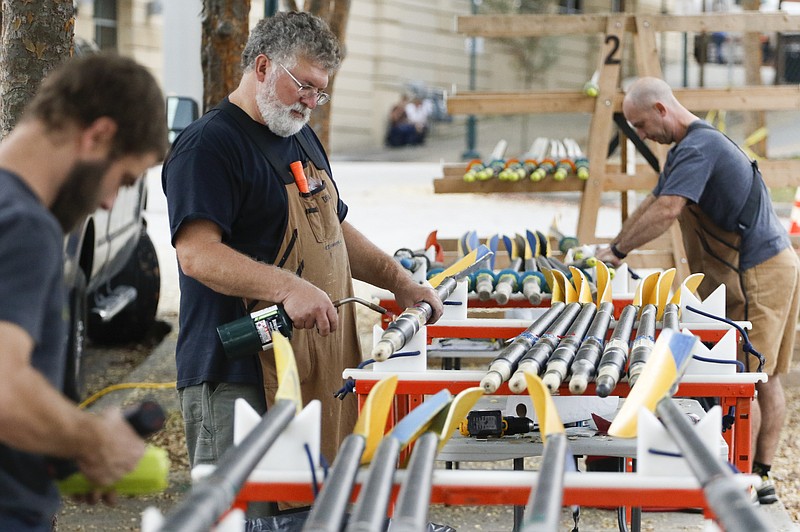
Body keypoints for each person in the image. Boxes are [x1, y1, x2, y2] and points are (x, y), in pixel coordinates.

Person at [161, 11, 443, 475]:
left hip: (315, 373)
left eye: (321, 91)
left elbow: (333, 228)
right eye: (304, 86)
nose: (312, 102)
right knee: (248, 521)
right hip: (240, 379)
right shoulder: (208, 146)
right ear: (264, 67)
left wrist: (401, 282)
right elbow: (196, 254)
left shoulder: (300, 136)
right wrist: (289, 288)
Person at [596, 76, 800, 505]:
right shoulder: (686, 150)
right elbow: (654, 202)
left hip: (759, 269)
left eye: (642, 125)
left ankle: (749, 481)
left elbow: (669, 211)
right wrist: (610, 252)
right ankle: (751, 476)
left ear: (661, 110)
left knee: (751, 377)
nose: (643, 135)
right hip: (762, 265)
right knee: (760, 376)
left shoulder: (698, 147)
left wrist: (617, 251)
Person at [0, 53, 168, 530]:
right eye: (124, 179)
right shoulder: (25, 226)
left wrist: (62, 452)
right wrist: (96, 441)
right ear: (98, 136)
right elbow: (5, 390)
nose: (111, 201)